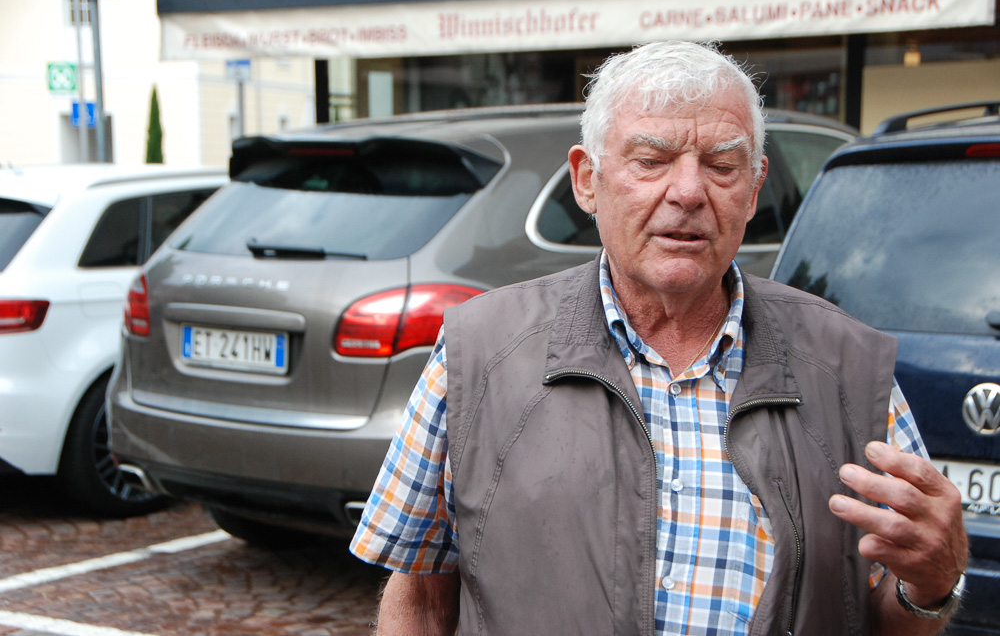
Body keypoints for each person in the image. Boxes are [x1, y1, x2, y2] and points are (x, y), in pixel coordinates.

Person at [349, 41, 967, 635]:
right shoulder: (478, 354)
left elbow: (879, 616)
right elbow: (422, 598)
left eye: (722, 166)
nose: (689, 192)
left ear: (754, 188)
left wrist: (931, 585)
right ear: (587, 180)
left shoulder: (848, 368)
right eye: (651, 161)